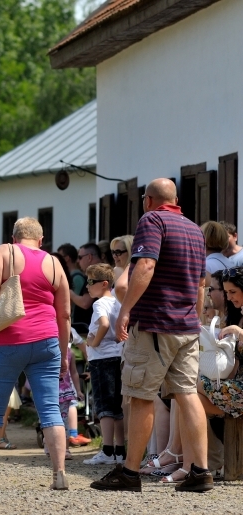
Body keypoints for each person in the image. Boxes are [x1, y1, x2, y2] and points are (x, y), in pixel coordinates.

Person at [90, 178, 212, 493]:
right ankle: (200, 470)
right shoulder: (194, 230)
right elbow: (200, 283)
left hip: (156, 323)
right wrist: (194, 319)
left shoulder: (152, 219)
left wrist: (127, 309)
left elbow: (145, 266)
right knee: (187, 395)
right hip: (185, 325)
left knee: (140, 394)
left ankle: (130, 472)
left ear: (148, 200)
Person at [0, 217, 70, 490]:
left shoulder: (5, 252)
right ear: (41, 240)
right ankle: (59, 474)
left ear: (14, 237)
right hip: (47, 342)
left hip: (9, 341)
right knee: (50, 410)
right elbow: (65, 313)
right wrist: (63, 352)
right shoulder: (55, 263)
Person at [81, 263, 125, 466]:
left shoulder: (99, 304)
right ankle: (120, 450)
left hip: (102, 358)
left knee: (104, 406)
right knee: (117, 405)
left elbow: (105, 324)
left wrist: (94, 342)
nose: (87, 286)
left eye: (90, 282)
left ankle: (107, 450)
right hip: (117, 355)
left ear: (104, 283)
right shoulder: (116, 301)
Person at [70, 243, 102, 335]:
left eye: (80, 257)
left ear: (89, 257)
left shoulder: (96, 273)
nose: (77, 261)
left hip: (90, 330)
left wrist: (70, 293)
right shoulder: (98, 272)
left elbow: (85, 303)